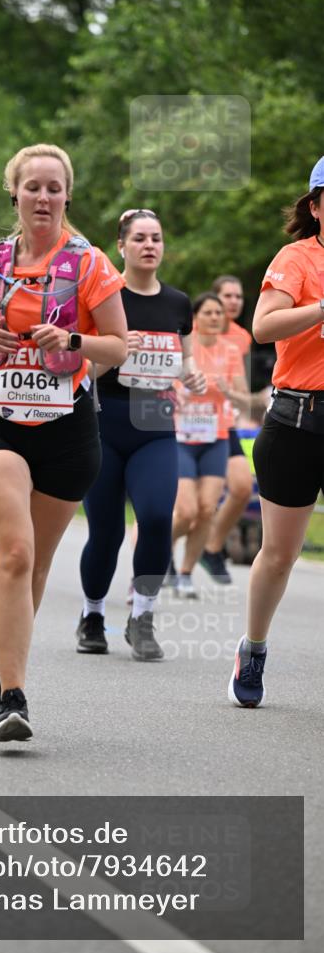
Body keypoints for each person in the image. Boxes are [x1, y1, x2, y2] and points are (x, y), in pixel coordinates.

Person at [0, 143, 127, 742]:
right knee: (16, 552)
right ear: (15, 193)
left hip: (67, 428)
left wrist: (73, 342)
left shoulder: (92, 263)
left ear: (67, 195)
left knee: (37, 568)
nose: (44, 198)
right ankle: (14, 699)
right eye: (33, 187)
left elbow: (119, 346)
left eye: (54, 188)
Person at [78, 209, 205, 660]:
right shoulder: (106, 298)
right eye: (140, 238)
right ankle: (92, 614)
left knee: (155, 519)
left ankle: (142, 617)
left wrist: (192, 376)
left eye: (156, 238)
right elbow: (83, 369)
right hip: (106, 419)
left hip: (155, 421)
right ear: (122, 246)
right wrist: (114, 354)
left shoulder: (177, 303)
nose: (150, 245)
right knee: (107, 532)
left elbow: (185, 356)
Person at [229, 156, 324, 708]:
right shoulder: (298, 258)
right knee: (280, 554)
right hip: (296, 421)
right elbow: (262, 326)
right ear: (315, 207)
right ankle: (255, 646)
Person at [172, 293, 249, 598]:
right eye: (209, 312)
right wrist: (179, 391)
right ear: (196, 318)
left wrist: (229, 391)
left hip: (216, 437)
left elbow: (245, 398)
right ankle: (159, 552)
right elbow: (166, 385)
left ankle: (186, 573)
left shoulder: (230, 351)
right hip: (182, 438)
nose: (216, 317)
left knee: (207, 510)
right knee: (187, 511)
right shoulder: (183, 349)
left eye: (219, 313)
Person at [199, 275, 254, 583]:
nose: (234, 301)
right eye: (228, 296)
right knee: (191, 504)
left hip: (223, 422)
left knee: (242, 486)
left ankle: (212, 547)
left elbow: (240, 386)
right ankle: (162, 552)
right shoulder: (195, 330)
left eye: (238, 296)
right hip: (190, 423)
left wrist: (244, 410)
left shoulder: (242, 337)